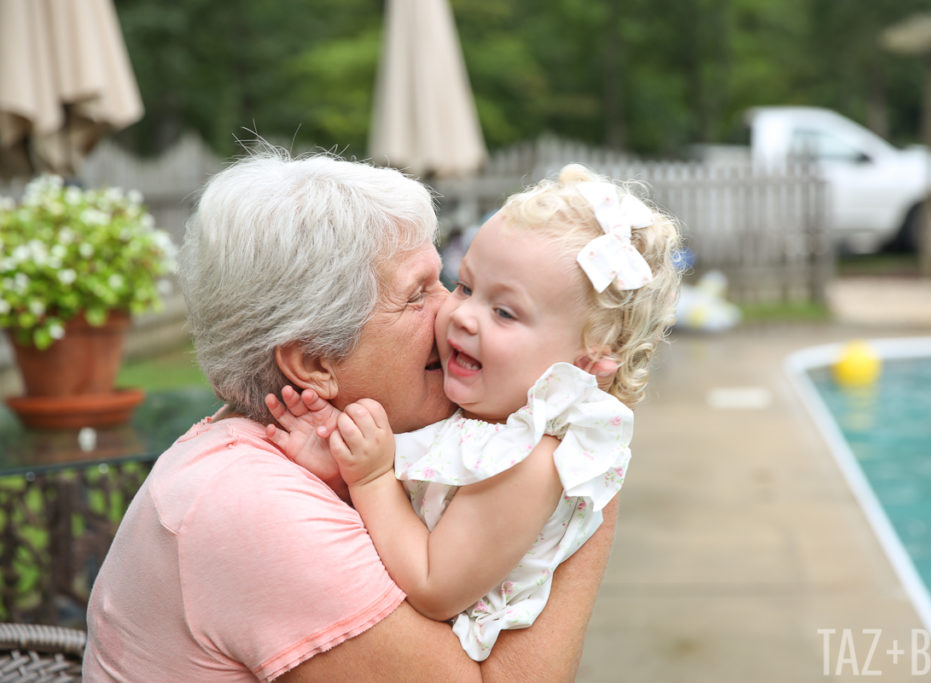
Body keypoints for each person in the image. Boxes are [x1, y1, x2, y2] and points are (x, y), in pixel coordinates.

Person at [83, 148, 619, 681]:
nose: (453, 312)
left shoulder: (322, 452)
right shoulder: (250, 508)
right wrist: (581, 463)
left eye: (445, 279)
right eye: (418, 295)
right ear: (315, 363)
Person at [265, 164, 682, 661]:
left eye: (504, 312)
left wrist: (371, 477)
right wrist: (341, 466)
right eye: (464, 286)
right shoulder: (484, 422)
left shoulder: (528, 463)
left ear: (588, 359)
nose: (461, 314)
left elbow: (433, 584)